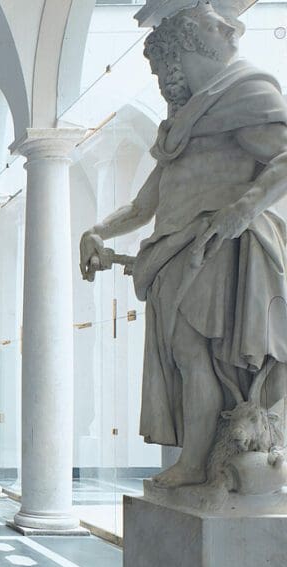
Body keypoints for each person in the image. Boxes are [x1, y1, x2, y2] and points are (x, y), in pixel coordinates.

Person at [79, 0, 287, 487]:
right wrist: (96, 232)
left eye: (162, 68)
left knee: (197, 355)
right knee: (185, 358)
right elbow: (141, 206)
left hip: (215, 245)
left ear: (188, 50)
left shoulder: (244, 94)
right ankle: (197, 461)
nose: (161, 80)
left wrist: (244, 208)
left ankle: (196, 465)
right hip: (175, 252)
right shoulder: (182, 128)